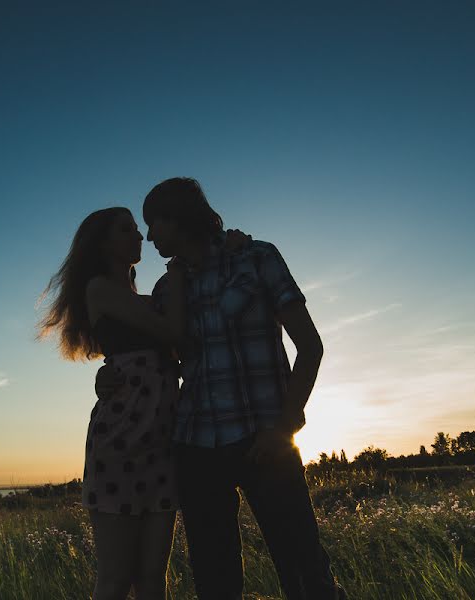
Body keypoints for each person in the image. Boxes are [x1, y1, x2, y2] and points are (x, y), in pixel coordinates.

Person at [97, 178, 344, 599]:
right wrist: (108, 374)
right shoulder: (166, 289)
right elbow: (145, 357)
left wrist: (284, 426)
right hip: (195, 450)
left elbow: (311, 347)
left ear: (177, 218)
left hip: (265, 441)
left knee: (306, 574)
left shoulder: (257, 258)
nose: (150, 236)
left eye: (154, 223)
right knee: (215, 582)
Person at [37, 207, 185, 600]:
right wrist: (182, 276)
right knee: (116, 580)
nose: (139, 236)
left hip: (162, 441)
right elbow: (172, 330)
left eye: (138, 229)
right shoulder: (100, 288)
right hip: (121, 440)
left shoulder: (138, 295)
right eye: (127, 229)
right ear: (102, 243)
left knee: (154, 578)